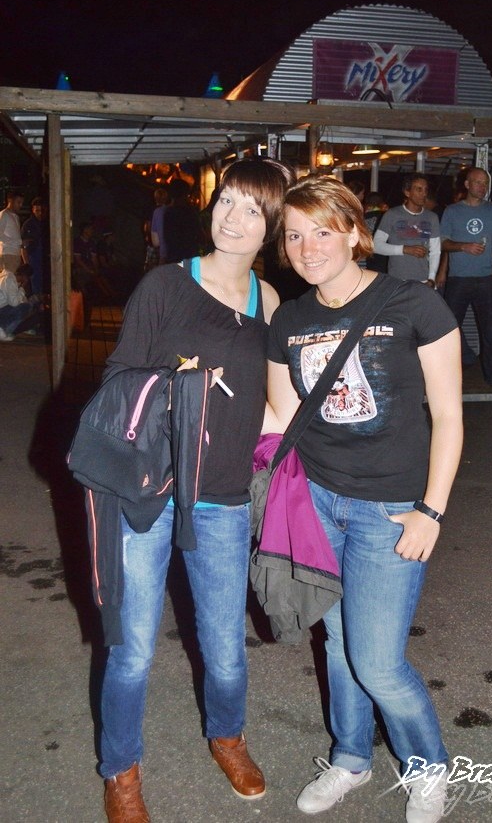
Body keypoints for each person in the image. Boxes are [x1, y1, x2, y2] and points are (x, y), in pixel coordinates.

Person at [94, 158, 293, 822]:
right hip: (149, 491)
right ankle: (121, 769)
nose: (232, 218)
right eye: (227, 200)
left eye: (252, 210)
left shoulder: (270, 303)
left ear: (271, 227)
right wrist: (179, 387)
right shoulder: (164, 285)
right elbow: (118, 381)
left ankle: (227, 737)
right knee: (131, 649)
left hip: (224, 495)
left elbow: (275, 409)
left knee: (226, 648)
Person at [266, 176, 463, 822]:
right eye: (295, 235)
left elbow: (449, 417)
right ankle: (351, 757)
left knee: (377, 662)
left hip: (390, 510)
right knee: (337, 642)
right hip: (318, 502)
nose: (308, 248)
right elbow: (282, 418)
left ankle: (428, 768)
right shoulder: (289, 320)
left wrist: (431, 510)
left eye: (323, 231)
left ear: (355, 232)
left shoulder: (414, 303)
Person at [440, 167, 492, 391]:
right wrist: (463, 246)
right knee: (449, 329)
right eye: (478, 182)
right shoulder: (452, 211)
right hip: (459, 279)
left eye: (485, 183)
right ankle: (446, 376)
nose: (482, 187)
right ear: (467, 184)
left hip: (486, 278)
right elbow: (443, 242)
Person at [373, 173, 441, 286]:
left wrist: (431, 278)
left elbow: (435, 251)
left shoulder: (432, 217)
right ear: (407, 192)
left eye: (426, 190)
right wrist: (405, 249)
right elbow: (376, 246)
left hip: (423, 281)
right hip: (397, 281)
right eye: (419, 189)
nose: (424, 194)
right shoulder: (392, 214)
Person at [0, 263, 41, 340]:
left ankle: (5, 329)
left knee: (27, 306)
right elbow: (14, 303)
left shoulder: (9, 279)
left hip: (2, 308)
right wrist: (22, 287)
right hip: (1, 310)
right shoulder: (9, 279)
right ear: (25, 277)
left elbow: (19, 300)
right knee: (25, 307)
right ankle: (4, 329)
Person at [21, 197, 46, 296]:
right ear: (32, 210)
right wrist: (27, 264)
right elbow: (23, 247)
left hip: (45, 258)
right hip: (33, 258)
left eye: (42, 210)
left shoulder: (47, 223)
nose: (40, 213)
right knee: (36, 284)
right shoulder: (28, 224)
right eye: (37, 210)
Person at [0, 189, 24, 274]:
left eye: (22, 203)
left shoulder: (16, 217)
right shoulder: (4, 214)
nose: (20, 205)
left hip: (15, 254)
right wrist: (18, 242)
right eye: (18, 202)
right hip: (8, 254)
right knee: (8, 279)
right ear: (10, 200)